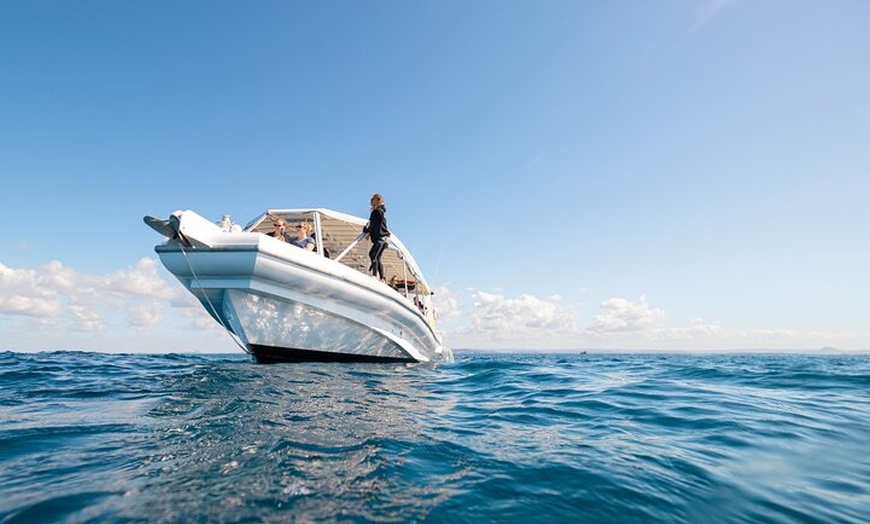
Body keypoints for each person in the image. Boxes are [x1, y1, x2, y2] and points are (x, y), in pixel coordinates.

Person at [362, 193, 390, 281]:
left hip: (380, 238)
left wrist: (366, 230)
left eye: (373, 199)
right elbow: (378, 224)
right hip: (384, 238)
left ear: (377, 200)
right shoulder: (381, 212)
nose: (371, 201)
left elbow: (373, 224)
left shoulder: (377, 212)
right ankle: (382, 278)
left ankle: (375, 275)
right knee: (377, 257)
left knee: (372, 254)